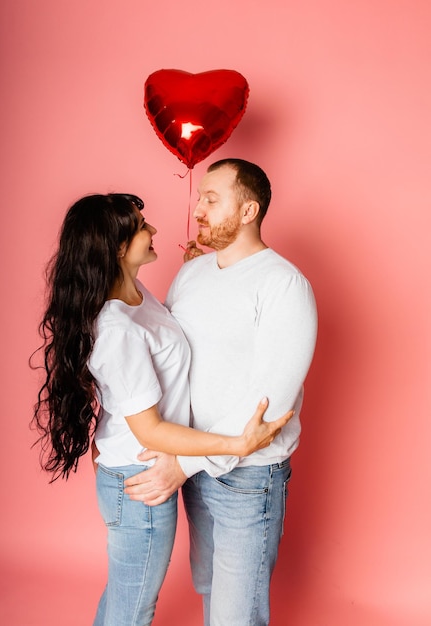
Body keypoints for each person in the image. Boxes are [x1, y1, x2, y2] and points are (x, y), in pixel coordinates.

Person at [31, 192, 294, 626]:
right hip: (142, 480)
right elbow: (150, 430)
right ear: (117, 248)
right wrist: (237, 442)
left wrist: (200, 273)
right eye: (141, 226)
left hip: (136, 472)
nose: (153, 230)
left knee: (126, 598)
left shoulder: (134, 292)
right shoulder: (116, 326)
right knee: (133, 609)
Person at [124, 159, 318, 626]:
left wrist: (181, 463)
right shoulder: (192, 274)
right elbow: (169, 365)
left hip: (248, 478)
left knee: (237, 614)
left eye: (212, 199)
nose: (199, 209)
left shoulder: (284, 284)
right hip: (192, 470)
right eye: (199, 198)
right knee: (210, 590)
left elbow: (270, 401)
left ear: (249, 210)